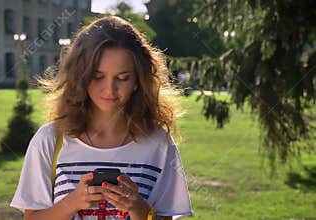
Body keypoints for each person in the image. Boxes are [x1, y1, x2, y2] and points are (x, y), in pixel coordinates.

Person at [10, 16, 193, 220]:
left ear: (138, 80)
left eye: (123, 78)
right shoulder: (50, 140)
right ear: (80, 76)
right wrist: (73, 202)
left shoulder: (159, 145)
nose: (110, 89)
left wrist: (140, 210)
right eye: (98, 76)